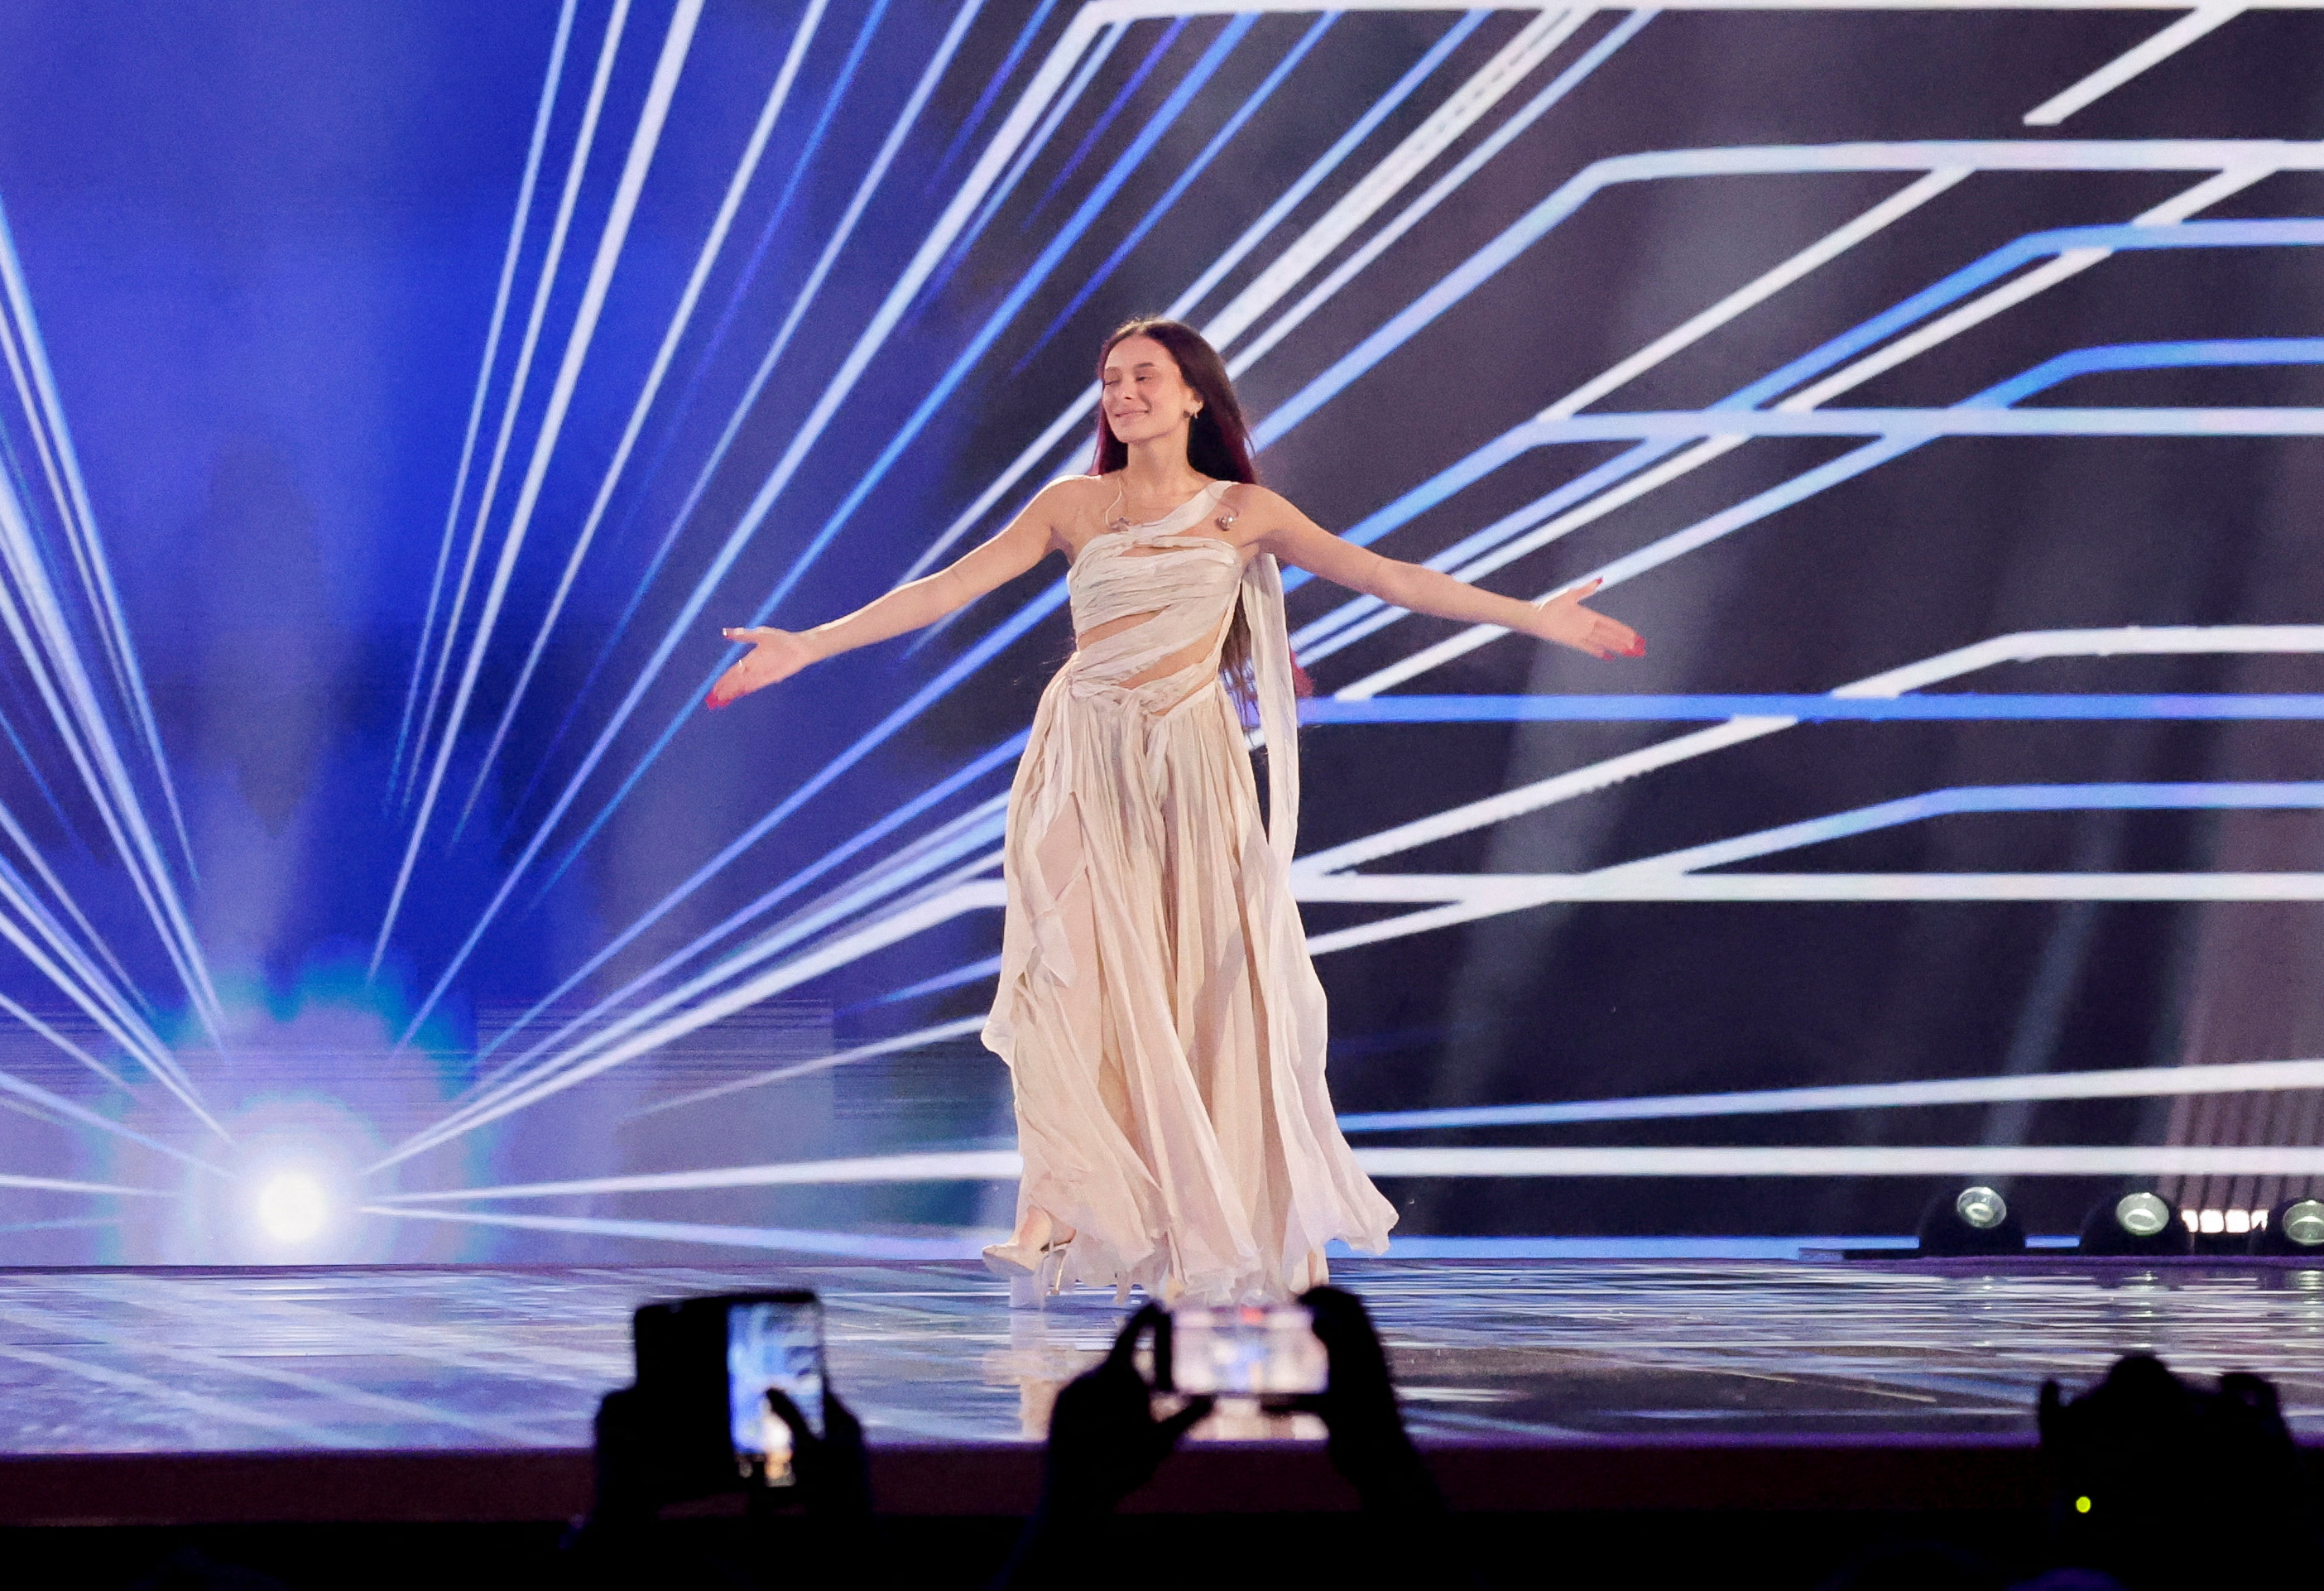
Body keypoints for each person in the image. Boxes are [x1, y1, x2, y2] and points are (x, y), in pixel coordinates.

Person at [702, 315, 1646, 1299]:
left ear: (1194, 393)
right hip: (1082, 751)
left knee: (1199, 977)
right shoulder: (1074, 504)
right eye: (1112, 379)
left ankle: (1204, 1210)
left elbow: (1386, 577)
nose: (1124, 393)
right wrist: (807, 644)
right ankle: (1064, 1204)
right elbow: (948, 587)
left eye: (1145, 376)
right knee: (1065, 968)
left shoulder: (1245, 511)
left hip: (1189, 766)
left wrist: (1532, 615)